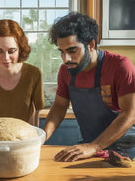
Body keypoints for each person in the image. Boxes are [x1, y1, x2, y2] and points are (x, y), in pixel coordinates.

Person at [44, 12, 135, 162]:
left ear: (91, 44)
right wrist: (41, 137)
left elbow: (130, 113)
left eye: (72, 51)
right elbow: (60, 107)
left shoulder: (120, 66)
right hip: (91, 147)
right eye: (62, 52)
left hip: (127, 150)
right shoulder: (66, 71)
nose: (66, 59)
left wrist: (94, 146)